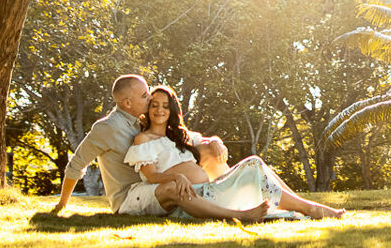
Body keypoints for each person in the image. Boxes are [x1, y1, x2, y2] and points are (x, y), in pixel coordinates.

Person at [51, 74, 269, 222]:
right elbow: (76, 164)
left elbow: (188, 138)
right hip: (130, 197)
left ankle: (231, 194)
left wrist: (214, 141)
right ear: (127, 102)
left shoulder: (143, 120)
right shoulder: (106, 128)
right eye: (145, 95)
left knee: (208, 152)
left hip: (154, 188)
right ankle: (235, 215)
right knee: (174, 187)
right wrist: (61, 205)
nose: (150, 97)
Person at [127, 85, 345, 220]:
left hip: (211, 189)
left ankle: (307, 206)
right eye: (154, 105)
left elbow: (207, 140)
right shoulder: (143, 139)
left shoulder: (179, 136)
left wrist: (216, 141)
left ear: (172, 110)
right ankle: (311, 208)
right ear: (148, 108)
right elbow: (152, 176)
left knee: (256, 164)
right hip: (193, 198)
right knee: (253, 165)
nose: (159, 110)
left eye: (165, 106)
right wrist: (176, 176)